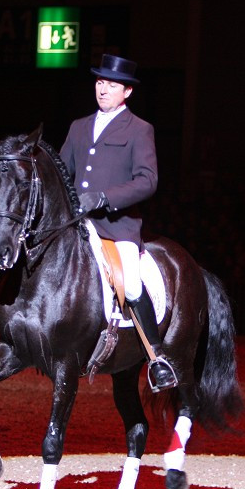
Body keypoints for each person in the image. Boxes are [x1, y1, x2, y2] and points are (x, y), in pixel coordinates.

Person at [59, 53, 177, 391]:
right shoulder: (78, 127)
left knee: (134, 285)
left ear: (127, 92)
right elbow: (64, 174)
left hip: (117, 226)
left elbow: (147, 180)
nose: (103, 89)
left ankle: (157, 359)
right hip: (79, 225)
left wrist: (104, 198)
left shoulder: (140, 129)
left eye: (111, 84)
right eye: (99, 82)